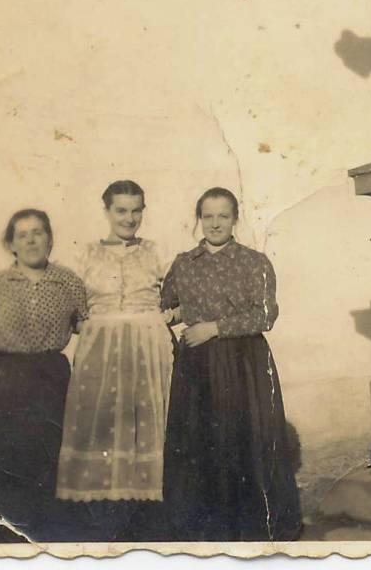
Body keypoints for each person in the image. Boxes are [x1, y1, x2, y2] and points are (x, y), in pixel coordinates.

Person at [161, 187, 301, 542]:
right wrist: (173, 314)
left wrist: (213, 328)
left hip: (243, 365)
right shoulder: (183, 263)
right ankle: (205, 527)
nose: (215, 223)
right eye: (208, 216)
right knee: (200, 443)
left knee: (241, 440)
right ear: (199, 219)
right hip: (196, 367)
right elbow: (167, 304)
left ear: (235, 219)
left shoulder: (253, 262)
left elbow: (265, 315)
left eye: (223, 216)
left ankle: (248, 527)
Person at [55, 180, 173, 539]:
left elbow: (180, 298)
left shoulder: (156, 252)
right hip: (100, 351)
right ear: (106, 211)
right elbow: (69, 308)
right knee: (102, 423)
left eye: (136, 210)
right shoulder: (86, 254)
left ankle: (145, 519)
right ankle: (103, 518)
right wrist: (90, 326)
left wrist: (161, 320)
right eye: (121, 210)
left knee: (146, 424)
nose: (129, 218)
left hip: (148, 350)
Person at [0, 208, 87, 537]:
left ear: (50, 239)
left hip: (52, 378)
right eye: (23, 235)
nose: (32, 240)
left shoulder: (69, 281)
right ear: (11, 244)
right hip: (2, 380)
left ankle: (50, 534)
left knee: (50, 460)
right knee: (6, 459)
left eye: (38, 232)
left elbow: (89, 327)